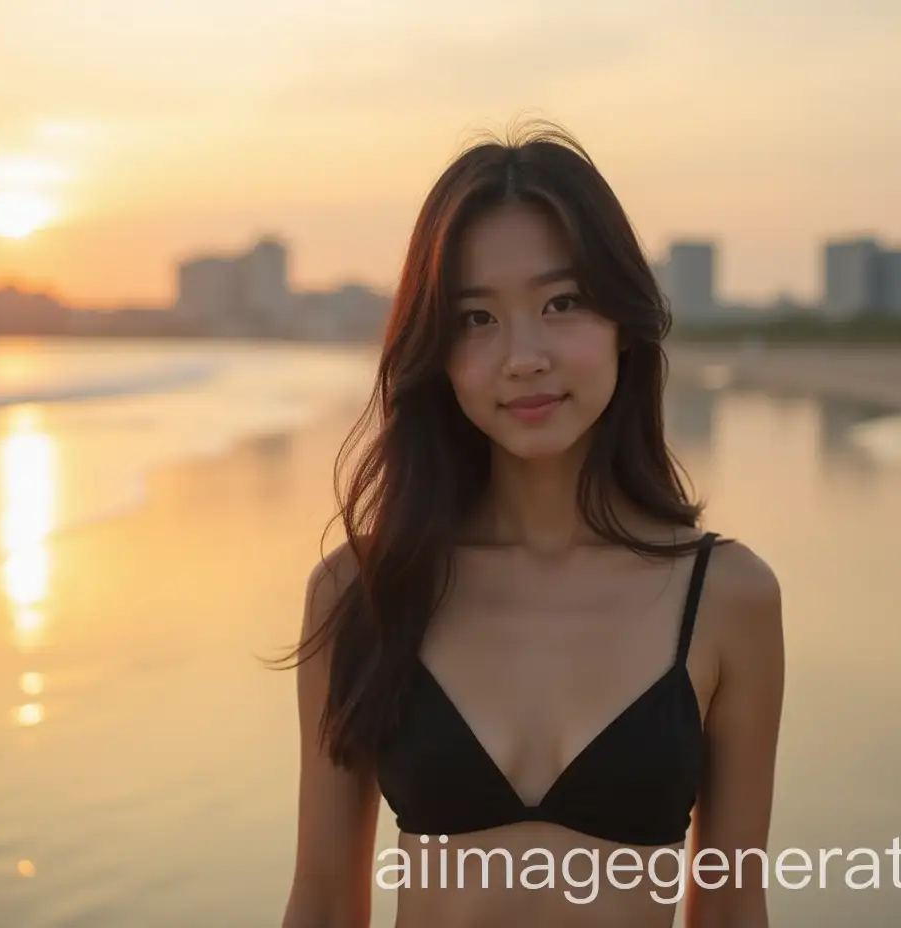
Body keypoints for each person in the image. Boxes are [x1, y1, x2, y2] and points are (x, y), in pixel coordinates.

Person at [274, 121, 785, 928]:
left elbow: (727, 908)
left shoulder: (726, 598)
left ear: (624, 320)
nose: (524, 355)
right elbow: (326, 903)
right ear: (435, 351)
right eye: (477, 319)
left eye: (562, 302)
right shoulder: (363, 594)